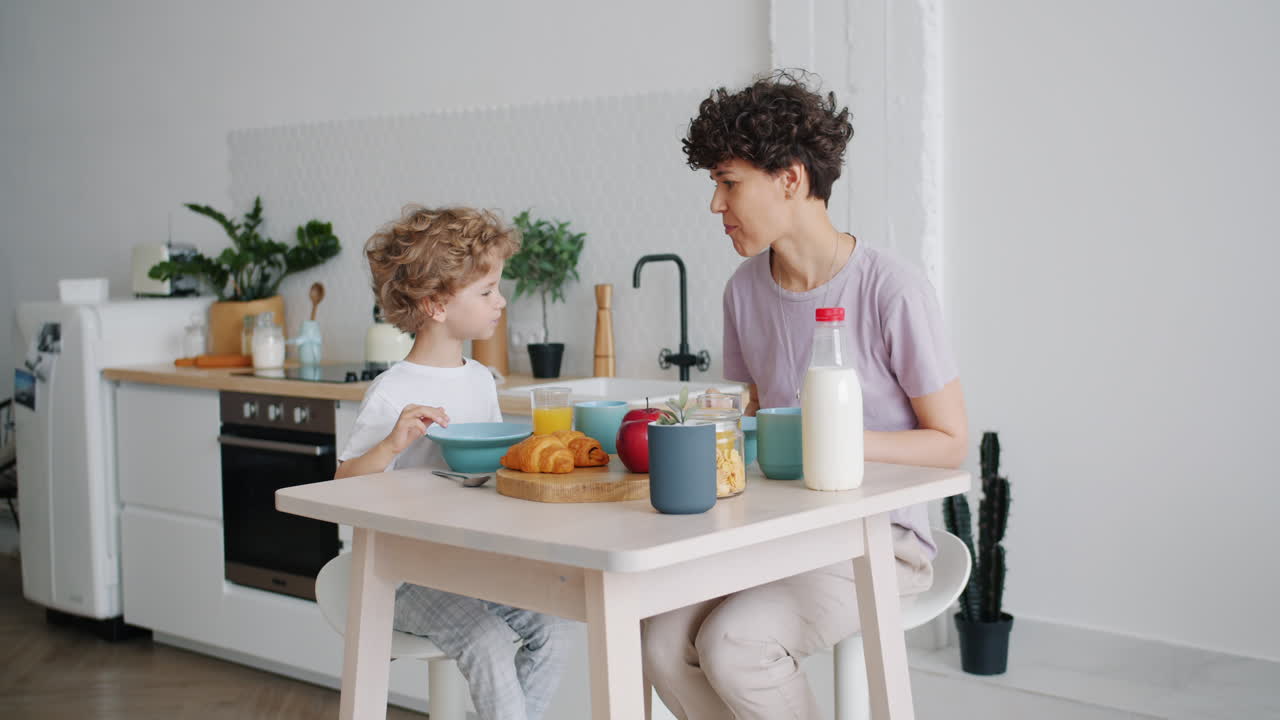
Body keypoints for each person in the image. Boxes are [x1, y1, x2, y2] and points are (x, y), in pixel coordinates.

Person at [640, 71, 968, 719]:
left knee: (734, 646)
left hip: (879, 543)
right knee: (656, 638)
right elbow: (747, 421)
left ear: (790, 179)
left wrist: (833, 440)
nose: (714, 204)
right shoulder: (743, 290)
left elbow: (952, 443)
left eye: (728, 183)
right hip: (780, 533)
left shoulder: (890, 288)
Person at [335, 205, 570, 720]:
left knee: (553, 627)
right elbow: (341, 485)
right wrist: (391, 446)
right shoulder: (393, 391)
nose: (500, 301)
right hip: (401, 574)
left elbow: (482, 477)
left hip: (468, 562)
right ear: (437, 303)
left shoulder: (480, 379)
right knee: (486, 643)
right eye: (486, 291)